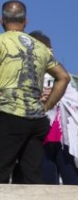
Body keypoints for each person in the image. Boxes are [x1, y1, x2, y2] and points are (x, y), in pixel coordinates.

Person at [0, 0, 70, 189]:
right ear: (26, 21)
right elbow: (64, 77)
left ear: (1, 21)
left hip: (8, 116)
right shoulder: (40, 47)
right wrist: (46, 106)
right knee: (31, 178)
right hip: (36, 120)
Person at [29, 31, 78, 185]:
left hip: (63, 136)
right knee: (47, 180)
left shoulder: (63, 75)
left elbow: (74, 98)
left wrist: (57, 95)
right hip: (40, 136)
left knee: (71, 179)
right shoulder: (26, 74)